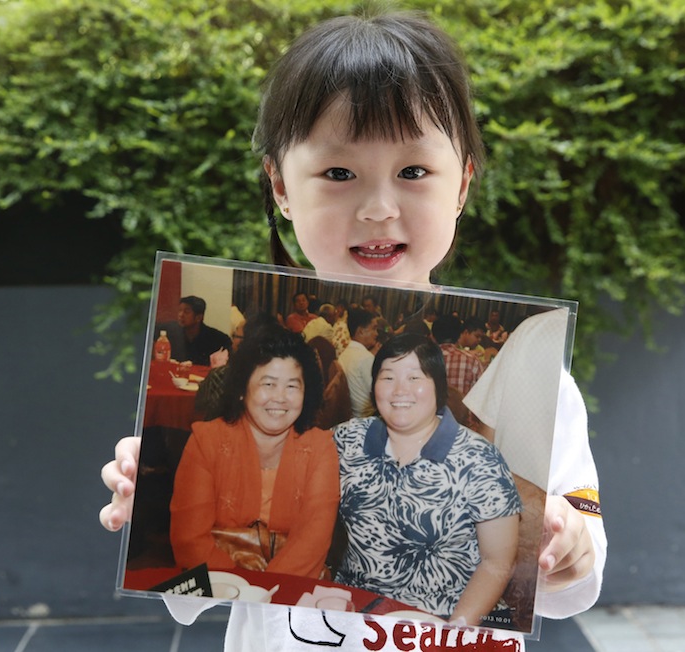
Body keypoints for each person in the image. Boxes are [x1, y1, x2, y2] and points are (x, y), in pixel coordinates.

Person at [101, 10, 605, 651]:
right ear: (282, 186)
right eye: (339, 173)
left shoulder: (532, 379)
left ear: (462, 186)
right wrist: (156, 495)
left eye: (414, 172)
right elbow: (189, 592)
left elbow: (575, 586)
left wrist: (567, 548)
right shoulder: (246, 392)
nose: (377, 207)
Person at [334, 333, 521, 624]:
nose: (399, 391)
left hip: (446, 616)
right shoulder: (348, 439)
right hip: (358, 613)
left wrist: (452, 633)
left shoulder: (479, 458)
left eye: (414, 377)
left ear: (439, 387)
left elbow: (497, 562)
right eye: (387, 377)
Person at [171, 326, 339, 579]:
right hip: (220, 585)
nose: (280, 398)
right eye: (268, 383)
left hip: (290, 586)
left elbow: (313, 541)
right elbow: (190, 539)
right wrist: (240, 591)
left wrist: (265, 594)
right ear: (241, 389)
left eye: (292, 386)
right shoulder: (206, 441)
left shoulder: (320, 447)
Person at [157, 295, 232, 367]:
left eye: (186, 312)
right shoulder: (171, 330)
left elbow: (227, 343)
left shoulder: (214, 337)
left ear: (198, 317)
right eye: (180, 310)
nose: (181, 315)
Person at [431, 314, 486, 397]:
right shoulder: (473, 361)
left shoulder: (423, 359)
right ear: (459, 335)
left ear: (433, 337)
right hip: (461, 409)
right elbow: (483, 395)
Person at [336, 307, 379, 417]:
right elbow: (379, 394)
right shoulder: (366, 358)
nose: (376, 334)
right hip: (366, 418)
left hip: (350, 416)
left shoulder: (344, 355)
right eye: (374, 329)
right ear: (361, 331)